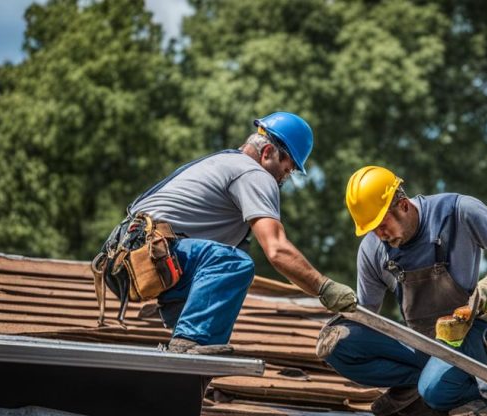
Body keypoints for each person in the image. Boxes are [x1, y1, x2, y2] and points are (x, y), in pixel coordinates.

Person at [104, 112, 355, 353]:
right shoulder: (254, 173)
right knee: (233, 264)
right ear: (268, 152)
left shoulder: (223, 162)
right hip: (151, 255)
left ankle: (188, 341)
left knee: (218, 271)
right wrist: (324, 287)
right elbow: (276, 250)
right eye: (287, 169)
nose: (283, 179)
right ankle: (191, 342)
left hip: (126, 259)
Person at [317, 165, 487, 416]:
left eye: (382, 225)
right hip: (420, 342)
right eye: (372, 229)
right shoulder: (372, 250)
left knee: (435, 390)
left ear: (403, 206)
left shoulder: (456, 212)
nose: (380, 235)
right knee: (339, 342)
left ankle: (474, 405)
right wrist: (343, 308)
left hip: (466, 336)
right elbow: (368, 319)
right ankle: (428, 390)